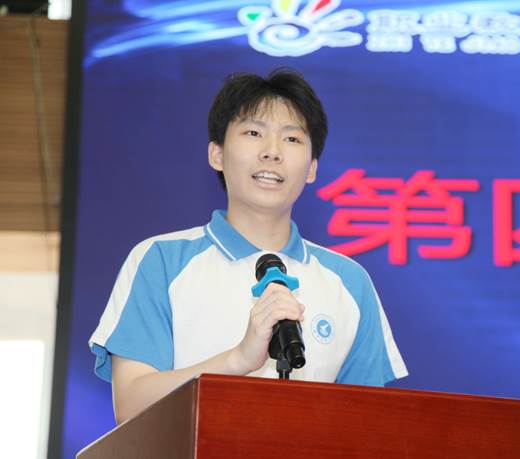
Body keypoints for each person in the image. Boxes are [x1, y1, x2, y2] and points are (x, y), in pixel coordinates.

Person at [88, 68, 408, 424]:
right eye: (254, 133)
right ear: (217, 154)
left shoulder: (349, 281)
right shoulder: (161, 260)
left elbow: (368, 424)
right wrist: (238, 359)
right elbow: (131, 405)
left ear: (312, 168)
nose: (272, 152)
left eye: (292, 138)